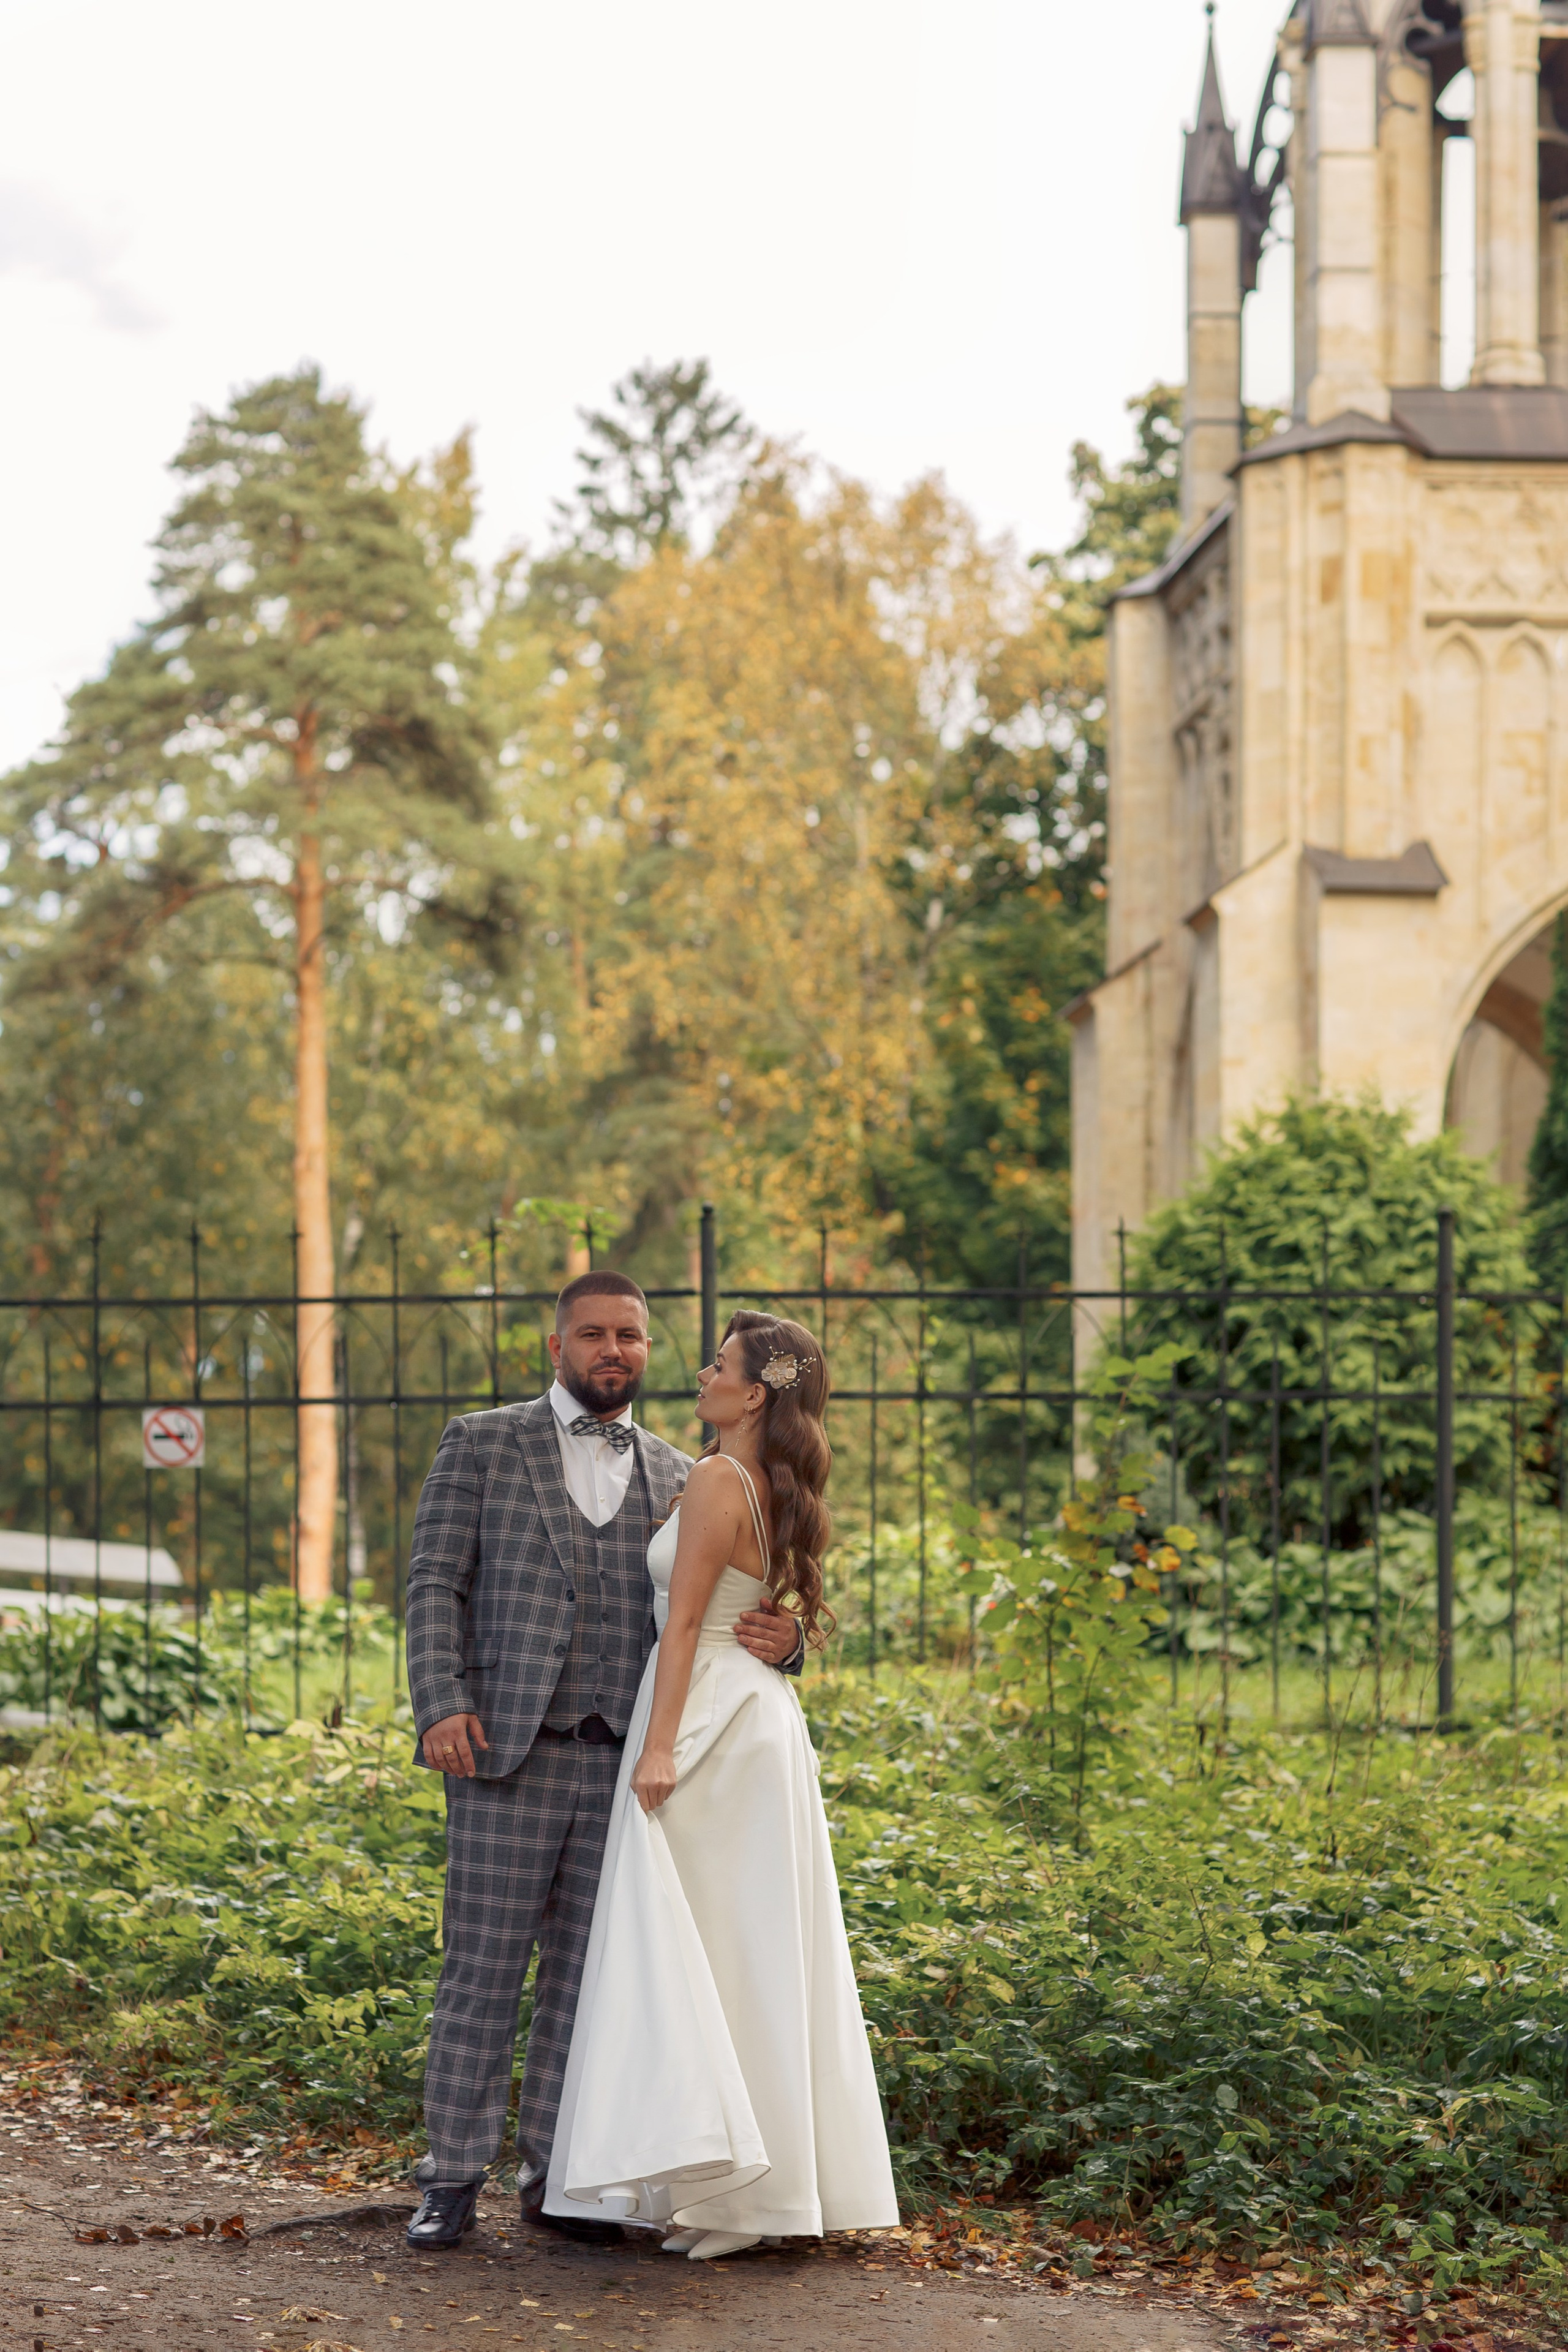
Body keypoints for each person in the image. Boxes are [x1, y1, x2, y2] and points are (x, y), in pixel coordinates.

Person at [403, 1272, 807, 2252]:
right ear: (558, 1347)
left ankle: (559, 2181)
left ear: (647, 1348)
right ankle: (450, 2179)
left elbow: (736, 1593)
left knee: (589, 1988)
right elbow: (433, 1583)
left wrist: (789, 1641)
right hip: (504, 1753)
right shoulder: (480, 1444)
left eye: (629, 1335)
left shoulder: (684, 1469)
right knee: (480, 1975)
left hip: (627, 1769)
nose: (612, 1350)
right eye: (592, 1335)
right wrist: (441, 1702)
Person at [542, 1310, 898, 2258]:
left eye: (719, 1364)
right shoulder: (773, 1484)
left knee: (700, 1952)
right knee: (748, 1954)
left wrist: (656, 1749)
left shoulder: (714, 1479)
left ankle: (736, 2197)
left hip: (707, 1721)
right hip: (758, 1718)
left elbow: (685, 1626)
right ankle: (751, 2193)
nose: (702, 1374)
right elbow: (753, 1608)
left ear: (751, 1397)